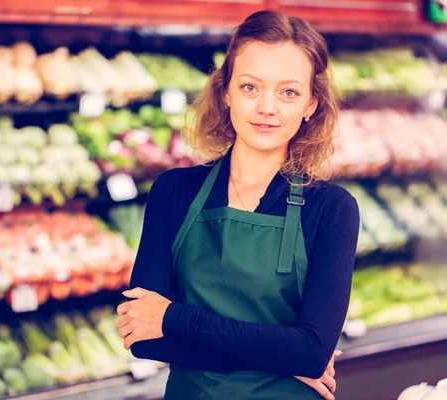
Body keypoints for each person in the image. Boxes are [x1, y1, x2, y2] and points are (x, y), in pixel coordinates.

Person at [115, 9, 360, 400]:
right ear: (225, 91)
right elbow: (142, 337)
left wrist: (176, 318)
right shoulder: (174, 191)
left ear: (311, 104)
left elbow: (311, 353)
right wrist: (282, 358)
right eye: (250, 87)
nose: (267, 107)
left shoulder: (332, 209)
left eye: (289, 92)